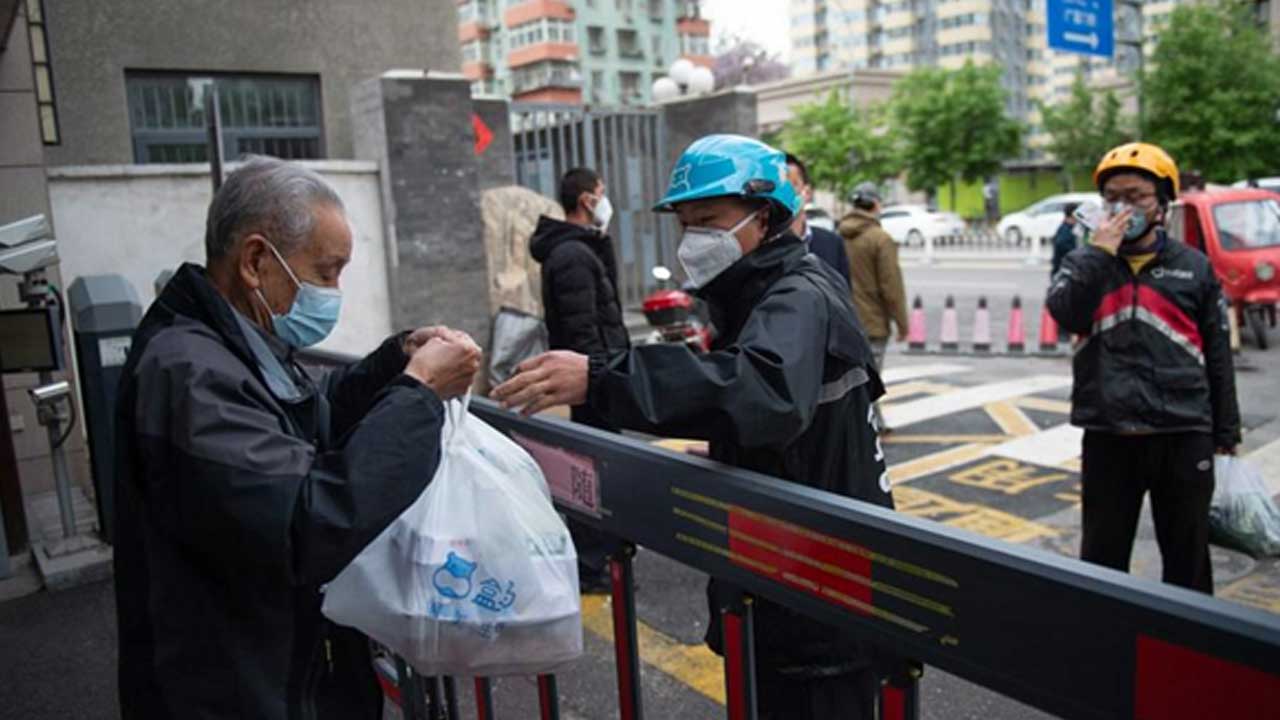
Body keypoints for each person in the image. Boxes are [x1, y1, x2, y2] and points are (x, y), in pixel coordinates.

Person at [494, 135, 893, 720]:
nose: (693, 239)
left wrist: (603, 378)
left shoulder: (797, 295)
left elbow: (764, 392)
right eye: (686, 224)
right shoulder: (759, 293)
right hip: (786, 579)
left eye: (708, 220)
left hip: (821, 601)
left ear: (766, 216)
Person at [114, 157, 482, 719]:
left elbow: (307, 418)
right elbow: (309, 518)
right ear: (257, 261)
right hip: (235, 691)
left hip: (282, 671)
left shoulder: (235, 343)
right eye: (327, 271)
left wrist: (394, 363)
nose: (334, 291)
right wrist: (420, 394)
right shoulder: (190, 375)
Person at [1046, 142, 1241, 594]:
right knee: (1102, 559)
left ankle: (1191, 649)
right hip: (1109, 436)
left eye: (1137, 197)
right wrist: (1099, 254)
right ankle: (1103, 647)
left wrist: (1225, 435)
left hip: (1182, 434)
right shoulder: (1084, 263)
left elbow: (1218, 356)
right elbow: (1066, 314)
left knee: (1188, 560)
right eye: (1113, 197)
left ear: (1162, 204)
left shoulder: (1193, 268)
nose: (1124, 208)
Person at [529, 167, 629, 592]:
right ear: (587, 200)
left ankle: (604, 552)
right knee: (593, 471)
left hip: (598, 374)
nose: (607, 200)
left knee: (601, 467)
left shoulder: (583, 248)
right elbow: (581, 326)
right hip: (592, 378)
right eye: (602, 192)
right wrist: (598, 375)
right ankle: (591, 561)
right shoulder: (571, 254)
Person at [838, 182, 909, 431]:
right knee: (872, 376)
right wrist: (902, 322)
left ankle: (868, 422)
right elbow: (892, 286)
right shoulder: (880, 239)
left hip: (842, 319)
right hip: (873, 321)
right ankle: (869, 425)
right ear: (876, 204)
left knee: (848, 378)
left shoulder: (838, 236)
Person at [785, 152, 852, 288]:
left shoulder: (832, 243)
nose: (785, 194)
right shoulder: (758, 245)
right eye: (778, 188)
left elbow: (844, 297)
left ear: (807, 192)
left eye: (792, 186)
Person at [1050, 202, 1081, 278]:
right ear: (1074, 215)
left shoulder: (1065, 228)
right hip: (1063, 273)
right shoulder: (1066, 230)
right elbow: (1061, 244)